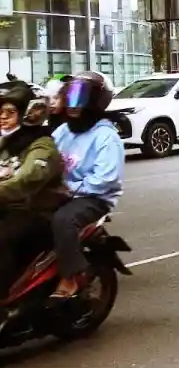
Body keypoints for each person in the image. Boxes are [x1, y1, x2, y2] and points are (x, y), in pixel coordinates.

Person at [48, 71, 123, 300]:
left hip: (93, 198)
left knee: (63, 220)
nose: (73, 105)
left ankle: (71, 277)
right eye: (70, 98)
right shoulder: (63, 131)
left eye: (80, 100)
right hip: (62, 192)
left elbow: (105, 179)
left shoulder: (106, 137)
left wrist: (70, 189)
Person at [0, 80, 64, 291]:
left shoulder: (41, 145)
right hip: (8, 208)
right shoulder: (5, 142)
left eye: (9, 112)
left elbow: (26, 179)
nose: (2, 117)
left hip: (36, 212)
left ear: (27, 114)